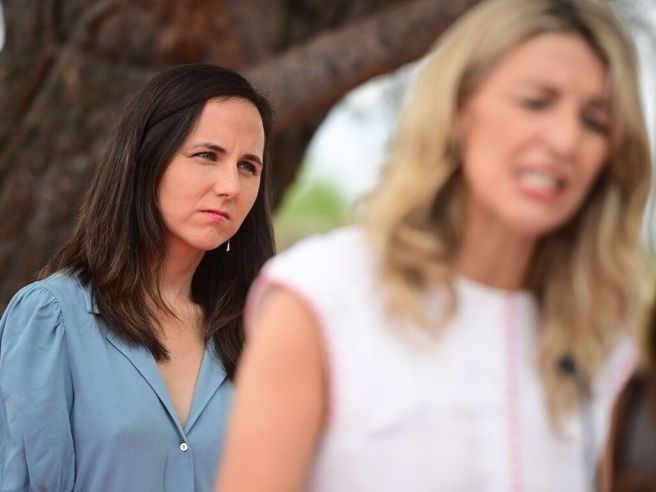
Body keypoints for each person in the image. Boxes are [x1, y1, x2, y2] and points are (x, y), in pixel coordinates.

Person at [215, 0, 653, 491]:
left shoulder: (598, 339)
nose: (566, 140)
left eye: (595, 121)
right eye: (536, 102)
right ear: (459, 107)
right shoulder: (322, 296)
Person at [0, 63, 274, 491]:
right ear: (147, 158)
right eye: (207, 155)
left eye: (248, 166)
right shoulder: (53, 318)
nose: (230, 186)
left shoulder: (256, 330)